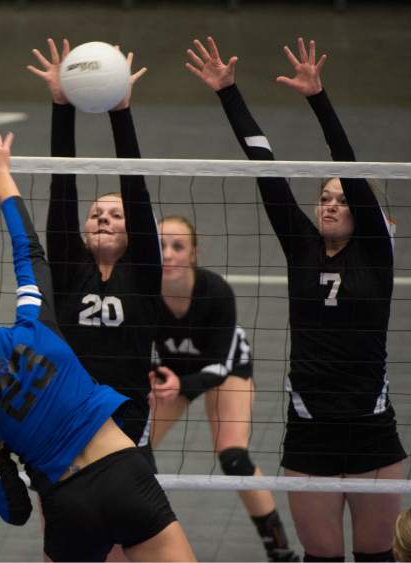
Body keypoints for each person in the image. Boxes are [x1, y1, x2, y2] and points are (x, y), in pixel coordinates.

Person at [0, 129, 196, 563]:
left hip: (66, 503)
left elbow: (15, 510)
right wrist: (0, 174)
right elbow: (27, 248)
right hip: (123, 471)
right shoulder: (36, 327)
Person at [185, 36, 406, 562]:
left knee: (378, 556)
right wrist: (228, 92)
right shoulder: (302, 248)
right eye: (323, 199)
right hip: (308, 434)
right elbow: (265, 169)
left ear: (365, 213)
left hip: (372, 431)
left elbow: (347, 163)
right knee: (322, 558)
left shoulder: (375, 255)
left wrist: (318, 98)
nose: (330, 206)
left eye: (341, 199)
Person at [28, 39, 159, 464]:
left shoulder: (143, 274)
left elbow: (135, 191)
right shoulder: (68, 270)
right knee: (63, 531)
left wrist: (121, 114)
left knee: (124, 532)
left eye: (115, 216)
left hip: (127, 426)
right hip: (67, 422)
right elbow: (61, 189)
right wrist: (61, 107)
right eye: (97, 213)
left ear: (133, 232)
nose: (103, 218)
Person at [149, 215, 299, 563]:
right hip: (174, 373)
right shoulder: (143, 293)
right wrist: (156, 374)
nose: (168, 254)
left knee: (233, 457)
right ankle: (137, 534)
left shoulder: (215, 292)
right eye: (160, 247)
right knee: (131, 451)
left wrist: (179, 384)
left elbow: (217, 366)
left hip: (225, 369)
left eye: (177, 246)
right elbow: (134, 346)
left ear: (194, 253)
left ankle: (280, 550)